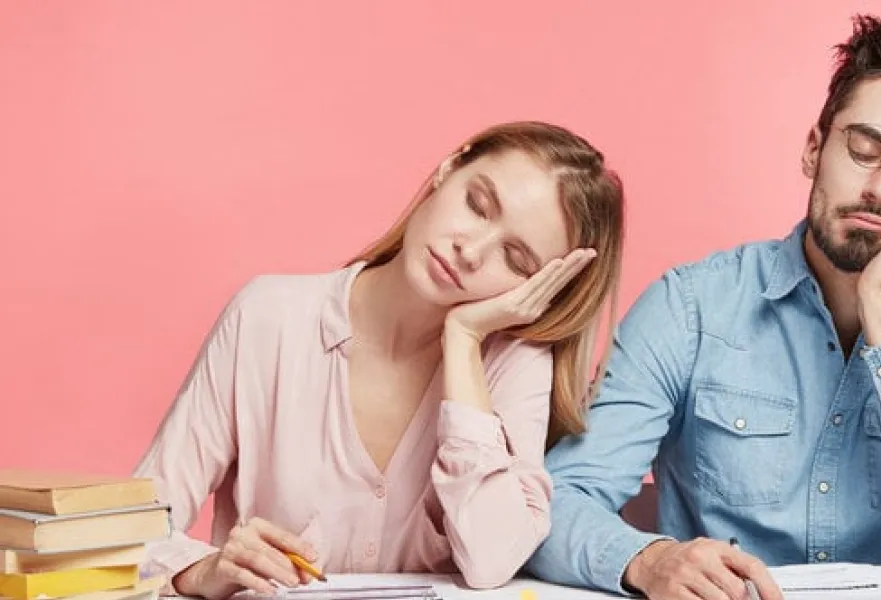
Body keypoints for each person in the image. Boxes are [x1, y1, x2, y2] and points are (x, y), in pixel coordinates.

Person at [525, 14, 881, 600]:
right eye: (866, 147)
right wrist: (650, 558)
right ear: (813, 149)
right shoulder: (690, 308)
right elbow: (556, 503)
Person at [133, 121, 626, 599]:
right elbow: (125, 530)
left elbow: (492, 559)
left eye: (517, 260)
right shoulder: (268, 317)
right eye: (477, 204)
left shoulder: (514, 364)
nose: (470, 251)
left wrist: (463, 339)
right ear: (448, 169)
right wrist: (200, 571)